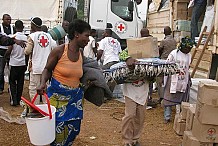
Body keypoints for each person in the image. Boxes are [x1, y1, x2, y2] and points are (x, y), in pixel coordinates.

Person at [37, 19, 91, 145]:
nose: (88, 39)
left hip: (75, 101)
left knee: (72, 130)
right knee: (56, 131)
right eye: (86, 35)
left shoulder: (81, 53)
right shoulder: (60, 51)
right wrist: (42, 83)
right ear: (77, 34)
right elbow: (47, 69)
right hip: (58, 99)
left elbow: (79, 76)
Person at [119, 28, 151, 146]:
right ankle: (127, 140)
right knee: (130, 115)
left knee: (140, 117)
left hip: (143, 88)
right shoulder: (131, 48)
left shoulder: (151, 51)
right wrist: (128, 58)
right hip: (130, 89)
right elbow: (121, 54)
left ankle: (135, 139)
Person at [24, 17, 57, 104]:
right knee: (46, 87)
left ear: (33, 25)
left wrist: (24, 47)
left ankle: (36, 108)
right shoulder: (48, 36)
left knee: (34, 88)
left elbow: (27, 51)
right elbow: (55, 47)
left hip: (36, 67)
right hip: (47, 68)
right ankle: (47, 108)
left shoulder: (32, 36)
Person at [163, 36, 194, 123]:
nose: (188, 50)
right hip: (173, 79)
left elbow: (187, 68)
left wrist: (189, 79)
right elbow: (167, 66)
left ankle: (180, 115)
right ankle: (167, 116)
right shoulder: (173, 54)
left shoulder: (189, 55)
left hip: (183, 79)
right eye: (187, 48)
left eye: (190, 48)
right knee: (169, 97)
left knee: (181, 98)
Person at [4, 20, 27, 106]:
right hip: (22, 63)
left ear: (15, 27)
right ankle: (19, 99)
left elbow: (9, 50)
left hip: (13, 63)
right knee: (20, 82)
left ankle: (14, 100)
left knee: (12, 82)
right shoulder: (26, 38)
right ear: (23, 27)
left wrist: (6, 57)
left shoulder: (12, 37)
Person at [157, 26, 177, 102]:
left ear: (164, 33)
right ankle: (169, 96)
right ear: (171, 32)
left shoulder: (163, 41)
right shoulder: (174, 41)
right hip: (172, 63)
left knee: (160, 79)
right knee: (169, 80)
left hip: (163, 61)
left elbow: (160, 50)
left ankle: (161, 97)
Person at [0, 14, 15, 94]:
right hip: (2, 52)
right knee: (1, 71)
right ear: (3, 19)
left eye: (10, 19)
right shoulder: (0, 27)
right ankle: (1, 87)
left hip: (11, 52)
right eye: (7, 19)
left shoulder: (13, 28)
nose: (9, 21)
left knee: (11, 71)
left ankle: (10, 87)